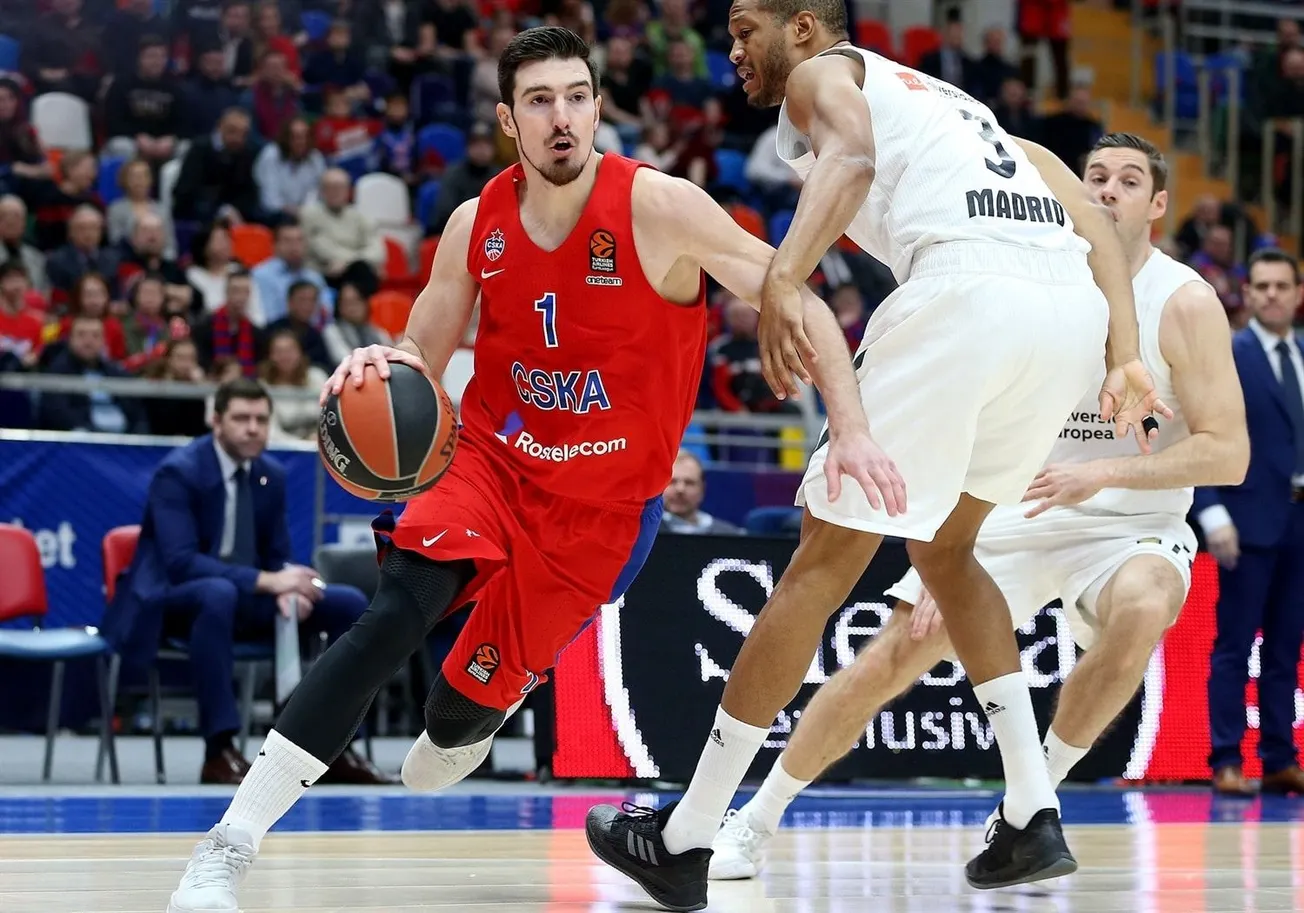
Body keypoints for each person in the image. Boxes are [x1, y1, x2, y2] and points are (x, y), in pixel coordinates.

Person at [165, 26, 877, 913]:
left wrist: (847, 428)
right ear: (509, 119)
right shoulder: (476, 223)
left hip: (601, 516)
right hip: (491, 463)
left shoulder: (659, 207)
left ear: (597, 106)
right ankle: (229, 842)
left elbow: (793, 293)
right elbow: (418, 354)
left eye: (577, 96)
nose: (563, 117)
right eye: (539, 101)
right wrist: (372, 367)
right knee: (393, 615)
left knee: (444, 745)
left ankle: (481, 702)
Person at [584, 4, 1167, 909]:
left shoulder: (830, 77)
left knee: (821, 565)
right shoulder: (954, 103)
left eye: (747, 27)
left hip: (966, 292)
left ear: (807, 27)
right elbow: (1089, 216)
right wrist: (1124, 352)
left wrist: (783, 276)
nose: (732, 49)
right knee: (948, 547)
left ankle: (688, 832)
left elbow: (851, 157)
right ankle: (1030, 810)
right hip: (1065, 320)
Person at [707, 132, 1250, 879]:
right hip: (1009, 513)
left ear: (1158, 204)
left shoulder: (1185, 302)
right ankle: (753, 821)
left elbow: (1230, 452)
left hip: (1129, 525)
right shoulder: (1038, 276)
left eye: (1128, 180)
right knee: (892, 654)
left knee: (1145, 606)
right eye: (1094, 175)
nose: (1106, 190)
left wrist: (1105, 475)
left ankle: (1032, 802)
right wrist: (947, 548)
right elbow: (970, 416)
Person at [102, 378, 381, 785]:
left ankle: (330, 745)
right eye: (241, 418)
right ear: (216, 422)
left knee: (347, 603)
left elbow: (276, 557)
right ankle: (219, 751)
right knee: (218, 593)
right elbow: (181, 563)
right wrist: (269, 580)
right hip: (172, 602)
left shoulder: (271, 475)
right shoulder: (178, 473)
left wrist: (290, 585)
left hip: (241, 596)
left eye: (261, 419)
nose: (253, 428)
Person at [1197, 247, 1304, 796]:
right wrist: (1210, 508)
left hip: (1299, 524)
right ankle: (1225, 760)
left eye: (1281, 286)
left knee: (1287, 648)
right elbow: (1202, 431)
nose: (1271, 295)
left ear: (1297, 293)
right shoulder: (1231, 354)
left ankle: (1282, 758)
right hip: (1246, 519)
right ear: (1249, 293)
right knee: (1235, 644)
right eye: (1261, 286)